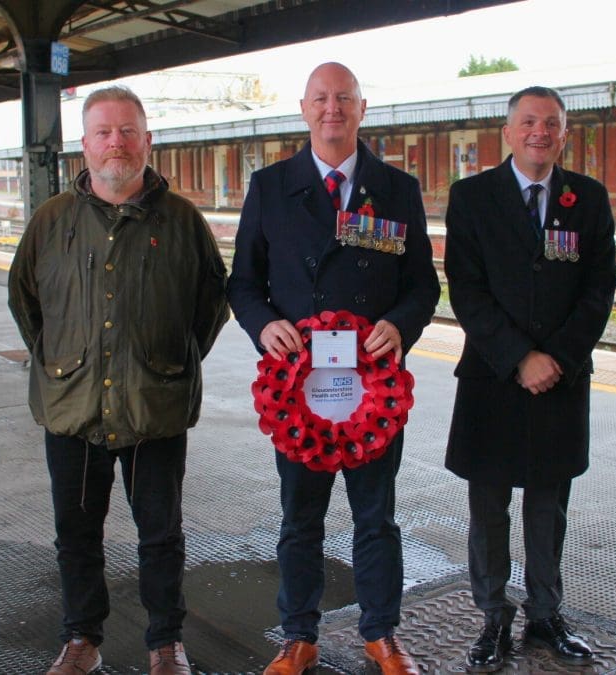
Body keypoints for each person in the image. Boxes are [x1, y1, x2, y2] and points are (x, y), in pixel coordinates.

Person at [226, 62, 439, 675]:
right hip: (299, 391)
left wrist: (399, 324)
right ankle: (299, 635)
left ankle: (381, 634)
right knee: (300, 520)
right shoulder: (271, 186)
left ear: (362, 108)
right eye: (320, 98)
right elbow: (243, 283)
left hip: (373, 390)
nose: (332, 108)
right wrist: (264, 326)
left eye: (344, 98)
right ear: (304, 108)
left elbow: (422, 284)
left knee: (377, 519)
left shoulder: (397, 189)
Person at [8, 85, 228, 675]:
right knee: (76, 536)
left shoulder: (182, 221)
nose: (116, 142)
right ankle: (81, 639)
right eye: (104, 132)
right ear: (84, 144)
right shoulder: (51, 220)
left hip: (154, 408)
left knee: (161, 535)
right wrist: (63, 364)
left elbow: (211, 305)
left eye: (128, 131)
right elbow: (26, 301)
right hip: (72, 409)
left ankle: (165, 643)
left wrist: (167, 362)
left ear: (147, 141)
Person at [443, 86, 616, 672]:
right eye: (528, 122)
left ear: (564, 133)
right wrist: (520, 357)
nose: (540, 132)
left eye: (551, 123)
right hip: (493, 377)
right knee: (488, 507)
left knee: (548, 507)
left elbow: (599, 289)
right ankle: (493, 617)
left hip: (560, 381)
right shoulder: (471, 197)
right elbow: (466, 289)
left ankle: (546, 614)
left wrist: (556, 358)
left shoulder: (587, 199)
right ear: (508, 133)